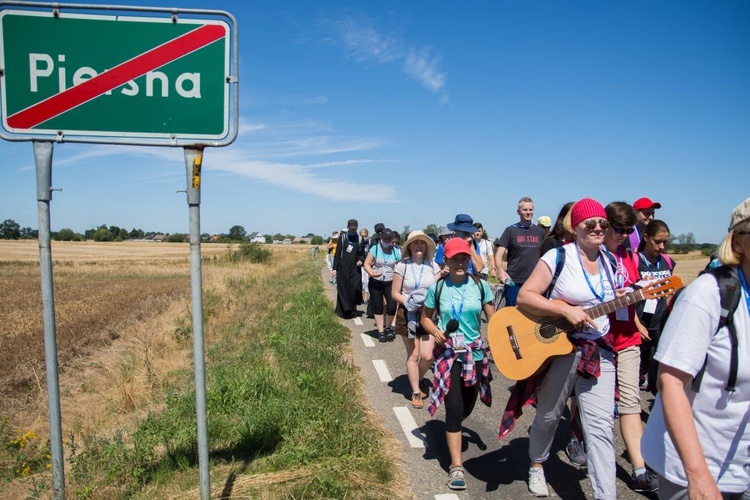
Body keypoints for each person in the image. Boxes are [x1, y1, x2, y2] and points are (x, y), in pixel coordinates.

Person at [642, 197, 750, 498]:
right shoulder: (707, 295)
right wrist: (698, 476)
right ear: (738, 243)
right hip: (701, 463)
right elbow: (671, 382)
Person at [516, 198, 618, 499]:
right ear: (576, 227)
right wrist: (564, 311)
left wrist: (624, 295)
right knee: (549, 414)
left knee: (600, 428)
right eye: (591, 223)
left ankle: (605, 495)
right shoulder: (559, 257)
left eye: (603, 223)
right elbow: (525, 297)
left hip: (599, 349)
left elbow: (602, 300)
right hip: (562, 347)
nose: (598, 228)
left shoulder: (610, 261)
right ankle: (537, 464)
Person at [421, 237, 494, 491]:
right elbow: (425, 319)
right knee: (453, 408)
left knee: (467, 405)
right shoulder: (438, 289)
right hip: (448, 354)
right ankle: (456, 468)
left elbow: (493, 320)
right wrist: (436, 332)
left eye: (464, 257)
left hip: (473, 355)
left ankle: (454, 425)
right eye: (455, 258)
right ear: (447, 261)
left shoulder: (481, 286)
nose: (461, 262)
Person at [602, 201, 658, 493]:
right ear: (606, 225)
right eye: (619, 229)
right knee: (590, 405)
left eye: (628, 230)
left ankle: (638, 469)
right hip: (596, 342)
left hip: (627, 339)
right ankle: (577, 439)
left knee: (631, 404)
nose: (623, 235)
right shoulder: (592, 256)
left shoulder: (630, 257)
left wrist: (635, 313)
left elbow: (635, 292)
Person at [392, 231, 442, 409]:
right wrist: (410, 302)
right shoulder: (402, 266)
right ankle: (415, 392)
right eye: (415, 243)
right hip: (408, 314)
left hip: (428, 314)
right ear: (409, 247)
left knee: (427, 356)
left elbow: (437, 290)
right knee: (414, 355)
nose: (419, 246)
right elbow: (395, 293)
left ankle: (419, 379)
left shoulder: (433, 266)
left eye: (422, 243)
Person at [635, 219, 676, 392]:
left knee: (656, 363)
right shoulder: (635, 260)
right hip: (638, 319)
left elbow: (670, 292)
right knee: (637, 364)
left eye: (665, 242)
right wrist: (635, 323)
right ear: (646, 237)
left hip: (659, 320)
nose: (661, 247)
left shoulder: (667, 261)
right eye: (657, 241)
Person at [494, 196, 546, 306]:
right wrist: (501, 271)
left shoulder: (540, 232)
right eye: (525, 210)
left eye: (530, 210)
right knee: (512, 314)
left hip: (534, 282)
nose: (528, 212)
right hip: (513, 281)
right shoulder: (510, 230)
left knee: (532, 315)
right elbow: (499, 254)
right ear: (518, 212)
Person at [364, 228, 402, 342]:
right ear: (381, 238)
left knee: (391, 307)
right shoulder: (375, 249)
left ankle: (388, 327)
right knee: (378, 306)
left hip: (390, 281)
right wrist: (371, 273)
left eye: (389, 239)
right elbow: (367, 263)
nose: (387, 240)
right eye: (385, 238)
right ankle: (381, 331)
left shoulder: (395, 251)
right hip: (376, 281)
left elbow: (400, 265)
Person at [332, 220, 367, 319]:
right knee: (343, 288)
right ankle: (346, 310)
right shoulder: (342, 238)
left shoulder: (360, 239)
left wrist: (361, 260)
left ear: (357, 227)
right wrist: (334, 268)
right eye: (351, 228)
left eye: (354, 228)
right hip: (343, 267)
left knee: (355, 288)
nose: (352, 230)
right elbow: (337, 254)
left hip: (355, 268)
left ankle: (352, 307)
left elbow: (362, 254)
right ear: (348, 227)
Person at [359, 228, 371, 306]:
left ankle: (366, 298)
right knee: (362, 281)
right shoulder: (359, 240)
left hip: (368, 263)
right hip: (361, 263)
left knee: (366, 281)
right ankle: (361, 297)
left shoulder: (370, 241)